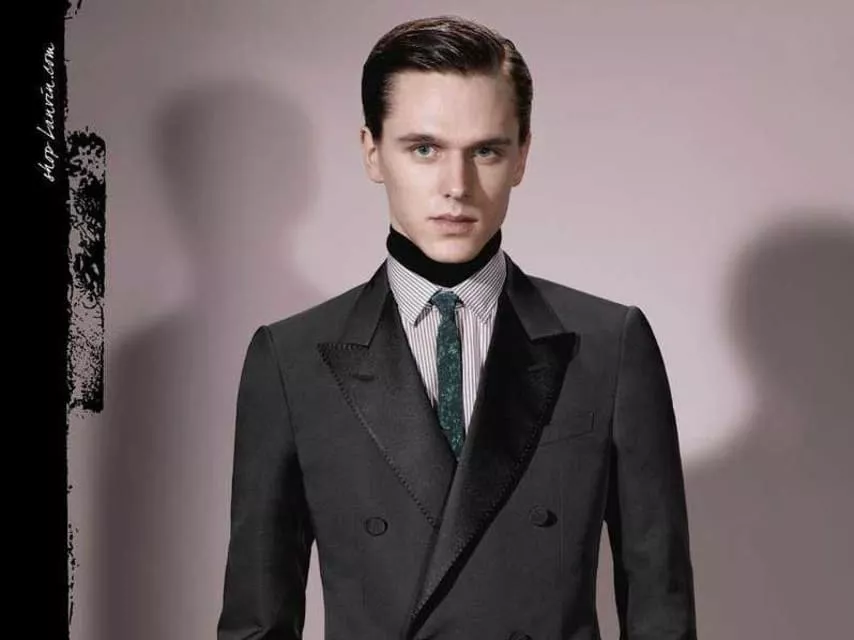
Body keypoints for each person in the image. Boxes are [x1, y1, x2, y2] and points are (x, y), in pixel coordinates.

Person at [217, 14, 697, 640]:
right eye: (424, 148)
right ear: (372, 152)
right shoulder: (290, 359)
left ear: (522, 156)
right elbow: (257, 622)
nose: (457, 186)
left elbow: (661, 609)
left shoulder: (609, 346)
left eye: (486, 151)